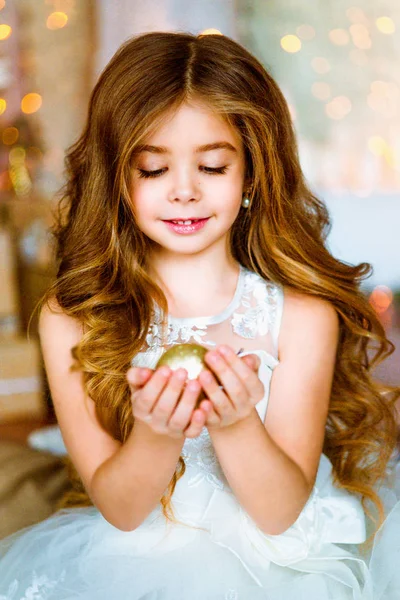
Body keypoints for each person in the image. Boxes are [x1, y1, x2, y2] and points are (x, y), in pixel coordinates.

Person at [0, 31, 399, 600]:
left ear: (251, 178)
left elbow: (280, 513)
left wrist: (236, 422)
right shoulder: (73, 318)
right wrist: (157, 434)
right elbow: (122, 510)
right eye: (153, 170)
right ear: (117, 181)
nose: (184, 191)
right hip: (134, 558)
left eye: (211, 167)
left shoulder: (301, 316)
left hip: (283, 566)